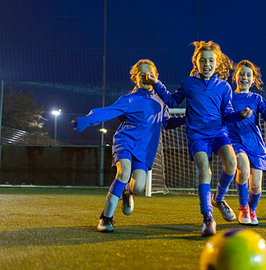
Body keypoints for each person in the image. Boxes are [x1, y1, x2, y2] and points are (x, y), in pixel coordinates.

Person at [146, 41, 253, 236]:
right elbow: (171, 100)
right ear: (195, 62)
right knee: (205, 170)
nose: (207, 64)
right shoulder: (188, 83)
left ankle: (218, 199)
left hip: (219, 133)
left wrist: (240, 115)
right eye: (202, 60)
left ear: (217, 63)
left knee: (231, 164)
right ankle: (208, 218)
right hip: (197, 136)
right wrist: (156, 84)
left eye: (211, 60)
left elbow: (227, 114)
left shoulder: (224, 87)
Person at [73, 59, 185, 232]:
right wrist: (86, 120)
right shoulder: (128, 100)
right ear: (135, 77)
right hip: (124, 142)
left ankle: (127, 192)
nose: (146, 77)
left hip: (145, 149)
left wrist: (186, 119)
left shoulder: (161, 102)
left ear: (156, 76)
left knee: (139, 187)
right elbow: (108, 111)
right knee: (124, 171)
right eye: (142, 74)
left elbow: (167, 123)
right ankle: (106, 218)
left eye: (150, 74)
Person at [227, 60, 266, 225]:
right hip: (235, 142)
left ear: (254, 79)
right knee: (243, 168)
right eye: (241, 74)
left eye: (249, 75)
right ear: (235, 76)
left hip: (255, 145)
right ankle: (243, 209)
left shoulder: (257, 99)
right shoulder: (228, 97)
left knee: (255, 187)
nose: (245, 77)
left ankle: (252, 208)